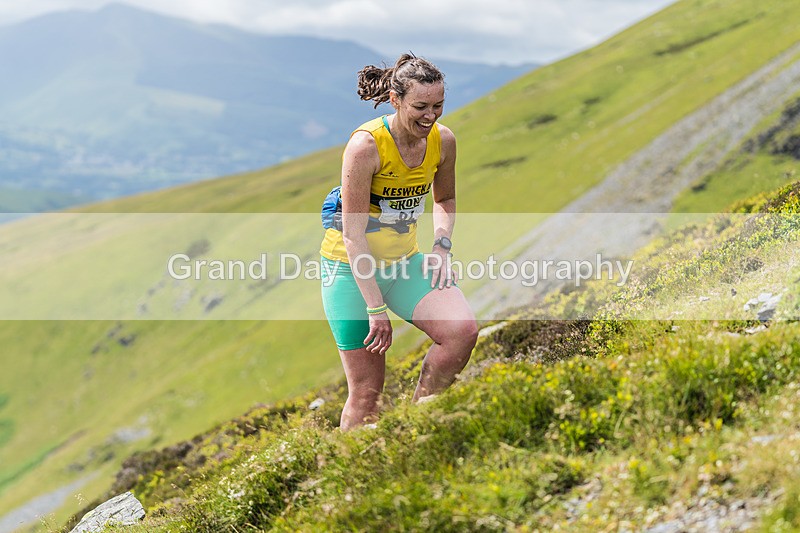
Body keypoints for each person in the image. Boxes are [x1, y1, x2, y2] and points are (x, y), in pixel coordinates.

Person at [319, 53, 478, 430]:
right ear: (396, 100)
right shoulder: (366, 146)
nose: (431, 116)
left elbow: (444, 199)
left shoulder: (444, 141)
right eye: (420, 106)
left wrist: (441, 247)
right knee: (366, 394)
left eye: (438, 105)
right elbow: (353, 234)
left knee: (461, 333)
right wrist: (376, 310)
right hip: (351, 272)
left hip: (404, 263)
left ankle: (416, 425)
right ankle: (349, 479)